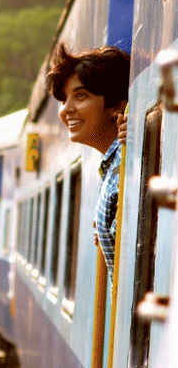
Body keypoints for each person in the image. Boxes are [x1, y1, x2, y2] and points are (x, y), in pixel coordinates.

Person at [46, 43, 130, 278]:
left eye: (80, 96)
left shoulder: (126, 167)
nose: (66, 110)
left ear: (117, 106)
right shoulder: (113, 166)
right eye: (64, 100)